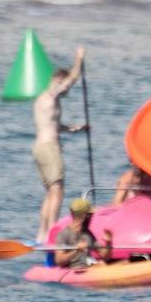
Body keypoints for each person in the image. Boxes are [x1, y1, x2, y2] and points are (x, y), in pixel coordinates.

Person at [33, 46, 86, 241]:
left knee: (50, 193)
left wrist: (76, 129)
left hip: (39, 148)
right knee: (58, 191)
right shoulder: (51, 95)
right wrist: (79, 58)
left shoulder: (41, 100)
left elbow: (54, 125)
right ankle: (52, 233)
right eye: (63, 87)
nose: (66, 92)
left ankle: (42, 233)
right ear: (57, 81)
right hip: (49, 149)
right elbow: (72, 79)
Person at [52, 198, 112, 268]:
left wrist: (108, 242)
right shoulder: (63, 235)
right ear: (85, 216)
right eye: (91, 215)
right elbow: (59, 261)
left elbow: (105, 256)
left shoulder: (87, 233)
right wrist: (76, 250)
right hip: (75, 271)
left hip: (89, 268)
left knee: (122, 263)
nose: (92, 218)